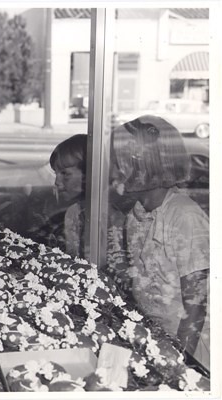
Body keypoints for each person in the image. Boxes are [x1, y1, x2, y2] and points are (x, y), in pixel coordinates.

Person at [111, 114, 209, 370]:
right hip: (155, 338)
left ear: (147, 167)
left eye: (119, 163)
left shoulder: (184, 216)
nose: (113, 171)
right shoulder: (136, 214)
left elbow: (196, 306)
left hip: (191, 350)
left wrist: (181, 363)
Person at [48, 134, 125, 259]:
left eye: (65, 174)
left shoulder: (114, 215)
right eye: (56, 173)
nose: (57, 182)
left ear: (89, 173)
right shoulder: (73, 212)